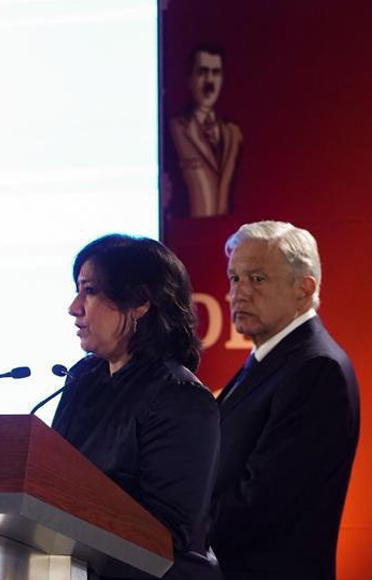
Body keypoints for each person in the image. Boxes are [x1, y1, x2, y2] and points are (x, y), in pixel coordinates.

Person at [52, 234, 221, 580]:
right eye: (77, 290)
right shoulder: (83, 378)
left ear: (140, 302)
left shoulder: (179, 396)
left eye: (90, 291)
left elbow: (167, 533)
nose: (74, 307)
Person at [210, 221, 360, 580]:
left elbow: (260, 505)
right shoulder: (272, 358)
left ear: (303, 289)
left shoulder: (316, 370)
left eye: (257, 279)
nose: (239, 292)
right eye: (234, 278)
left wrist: (173, 532)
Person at [169, 43, 242, 217]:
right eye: (202, 72)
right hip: (187, 229)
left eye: (216, 73)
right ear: (189, 79)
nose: (210, 81)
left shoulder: (233, 134)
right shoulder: (175, 129)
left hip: (225, 227)